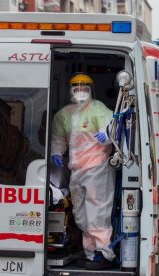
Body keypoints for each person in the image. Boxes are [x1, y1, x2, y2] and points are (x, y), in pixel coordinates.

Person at [51, 73, 115, 270]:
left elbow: (113, 127)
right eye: (77, 87)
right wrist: (56, 152)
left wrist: (108, 134)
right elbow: (58, 137)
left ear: (90, 89)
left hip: (97, 167)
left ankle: (103, 253)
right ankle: (90, 252)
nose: (80, 90)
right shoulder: (64, 114)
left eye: (84, 87)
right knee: (80, 214)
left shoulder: (98, 109)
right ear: (71, 90)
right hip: (77, 169)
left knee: (97, 212)